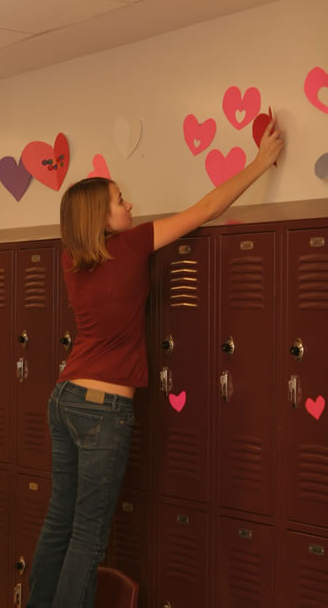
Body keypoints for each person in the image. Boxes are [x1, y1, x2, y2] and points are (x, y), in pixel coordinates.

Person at [27, 120, 284, 608]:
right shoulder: (130, 247)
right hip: (103, 408)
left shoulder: (71, 259)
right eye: (120, 200)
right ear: (102, 218)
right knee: (88, 536)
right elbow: (206, 209)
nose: (131, 206)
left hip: (65, 397)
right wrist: (260, 162)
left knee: (59, 522)